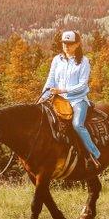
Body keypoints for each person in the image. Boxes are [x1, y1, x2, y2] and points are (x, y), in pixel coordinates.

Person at [41, 29, 98, 165]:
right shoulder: (57, 60)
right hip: (57, 99)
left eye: (70, 43)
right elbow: (50, 80)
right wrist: (43, 96)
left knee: (77, 125)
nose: (66, 46)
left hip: (77, 100)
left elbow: (82, 85)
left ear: (77, 44)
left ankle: (93, 154)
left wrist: (62, 90)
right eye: (64, 43)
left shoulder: (84, 61)